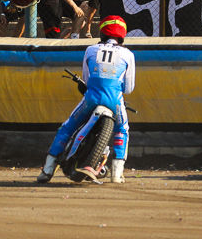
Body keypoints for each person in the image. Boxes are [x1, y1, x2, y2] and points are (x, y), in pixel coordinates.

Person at [36, 15, 135, 184]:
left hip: (91, 99)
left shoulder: (90, 50)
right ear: (122, 36)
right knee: (122, 130)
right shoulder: (128, 54)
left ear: (102, 34)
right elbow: (128, 88)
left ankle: (48, 169)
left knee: (67, 128)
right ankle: (117, 174)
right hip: (115, 101)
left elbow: (87, 79)